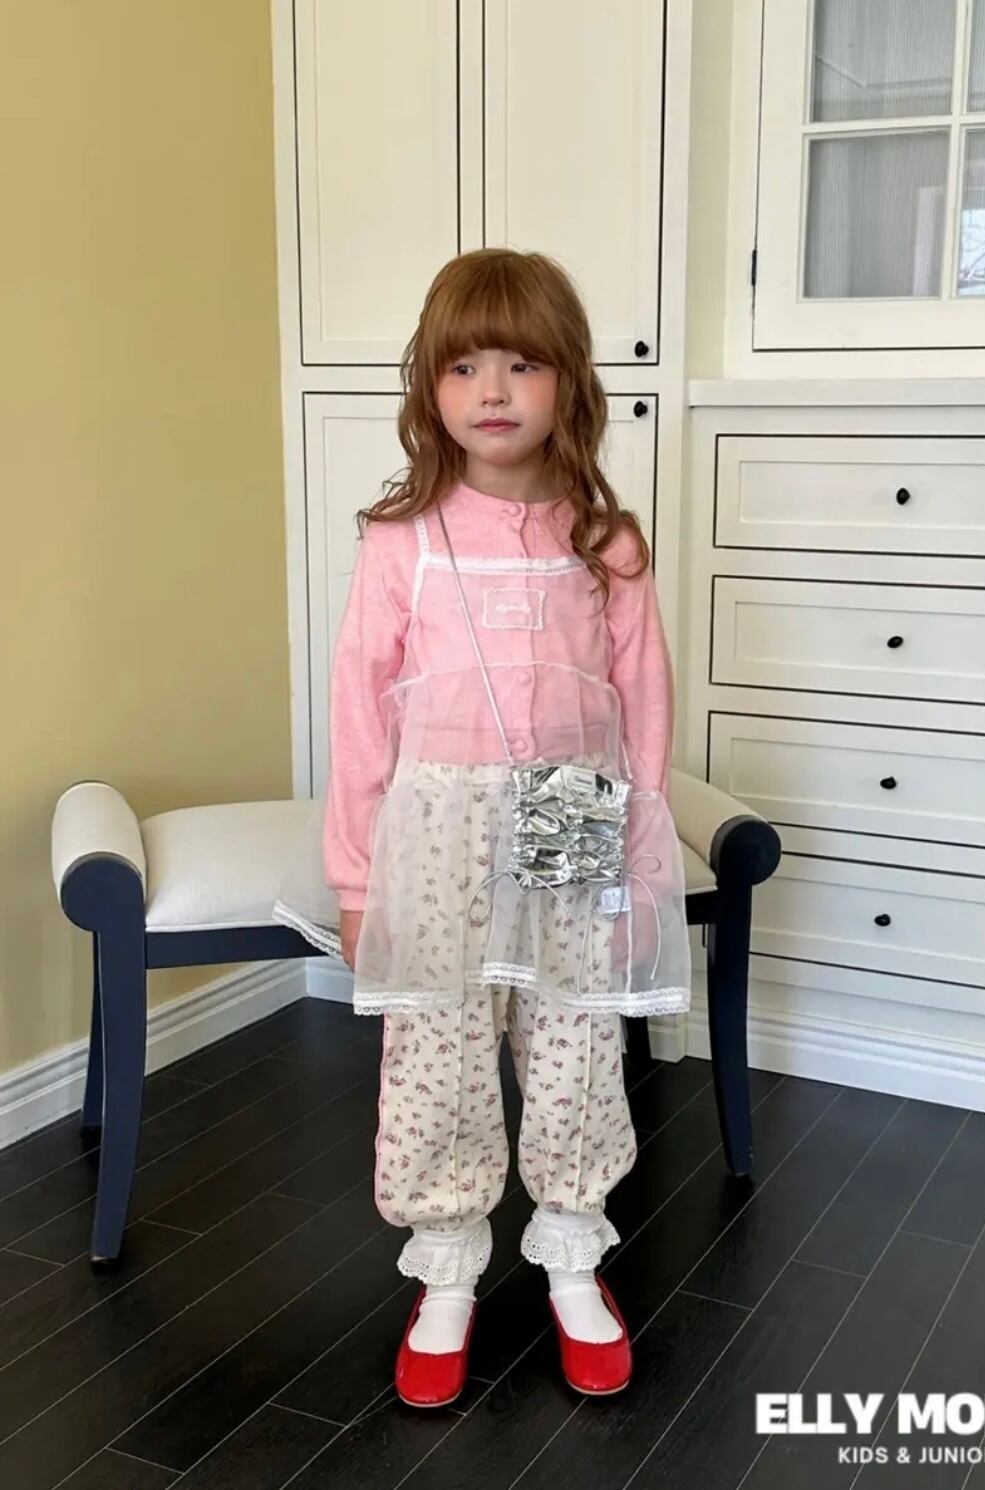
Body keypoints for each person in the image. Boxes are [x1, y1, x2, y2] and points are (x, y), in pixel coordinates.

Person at [272, 247, 691, 1408]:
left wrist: (635, 869)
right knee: (440, 1043)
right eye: (463, 366)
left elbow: (642, 707)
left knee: (572, 1035)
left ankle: (572, 1255)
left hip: (568, 804)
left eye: (521, 363)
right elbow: (361, 711)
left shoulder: (604, 540)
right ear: (431, 385)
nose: (492, 389)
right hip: (440, 819)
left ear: (568, 382)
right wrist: (357, 881)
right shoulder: (402, 539)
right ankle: (448, 1266)